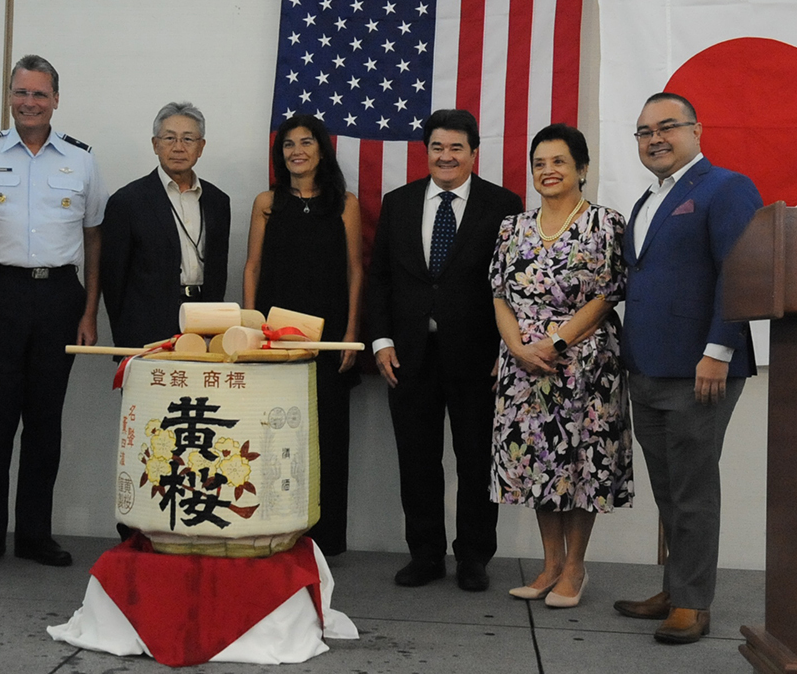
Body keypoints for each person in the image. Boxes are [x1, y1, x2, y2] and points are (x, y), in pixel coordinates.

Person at [613, 92, 762, 643]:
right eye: (643, 130)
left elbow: (739, 273)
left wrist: (718, 350)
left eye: (667, 126)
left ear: (697, 130)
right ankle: (678, 586)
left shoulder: (726, 188)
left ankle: (694, 605)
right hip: (647, 367)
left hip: (701, 367)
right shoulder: (647, 200)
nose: (654, 138)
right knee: (670, 489)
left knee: (694, 491)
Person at [0, 54, 107, 568]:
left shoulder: (81, 159)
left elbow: (93, 238)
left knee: (45, 421)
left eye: (40, 94)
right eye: (21, 93)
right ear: (9, 97)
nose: (30, 103)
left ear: (56, 100)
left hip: (60, 296)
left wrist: (89, 312)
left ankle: (35, 534)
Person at [365, 109, 523, 590]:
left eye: (456, 147)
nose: (446, 156)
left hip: (479, 355)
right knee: (417, 459)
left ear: (474, 152)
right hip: (409, 355)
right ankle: (426, 554)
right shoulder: (399, 202)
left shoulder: (503, 204)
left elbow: (513, 282)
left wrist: (507, 347)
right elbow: (380, 278)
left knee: (476, 459)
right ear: (426, 151)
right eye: (437, 147)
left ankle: (474, 558)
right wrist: (382, 340)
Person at [490, 124, 633, 608]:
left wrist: (554, 342)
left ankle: (575, 567)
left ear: (582, 169)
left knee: (580, 464)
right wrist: (519, 348)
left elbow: (608, 292)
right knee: (536, 464)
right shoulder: (513, 226)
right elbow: (499, 295)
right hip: (523, 365)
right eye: (540, 163)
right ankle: (550, 563)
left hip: (584, 363)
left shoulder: (605, 223)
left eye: (558, 162)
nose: (548, 171)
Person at [242, 114, 362, 556]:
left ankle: (327, 539)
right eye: (288, 144)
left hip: (329, 340)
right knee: (276, 434)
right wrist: (251, 331)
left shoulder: (345, 203)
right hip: (274, 339)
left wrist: (351, 332)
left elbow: (355, 270)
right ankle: (276, 530)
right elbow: (252, 267)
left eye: (306, 142)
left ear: (322, 149)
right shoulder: (267, 203)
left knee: (328, 437)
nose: (297, 150)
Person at [100, 101, 230, 348]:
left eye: (188, 139)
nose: (178, 147)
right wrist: (126, 337)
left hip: (203, 325)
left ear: (201, 147)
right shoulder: (127, 201)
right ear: (155, 145)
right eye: (169, 138)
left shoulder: (218, 201)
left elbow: (218, 270)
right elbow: (113, 280)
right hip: (147, 327)